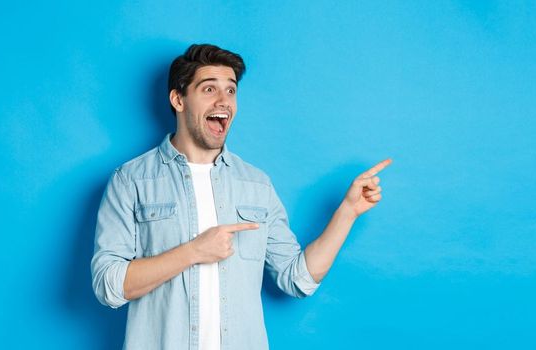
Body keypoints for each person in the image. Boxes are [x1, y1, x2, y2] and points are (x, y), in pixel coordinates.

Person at [91, 43, 391, 350]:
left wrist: (348, 212)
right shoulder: (131, 180)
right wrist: (193, 251)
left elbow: (297, 278)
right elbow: (108, 285)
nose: (224, 101)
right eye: (209, 89)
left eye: (231, 91)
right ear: (178, 99)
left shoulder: (256, 185)